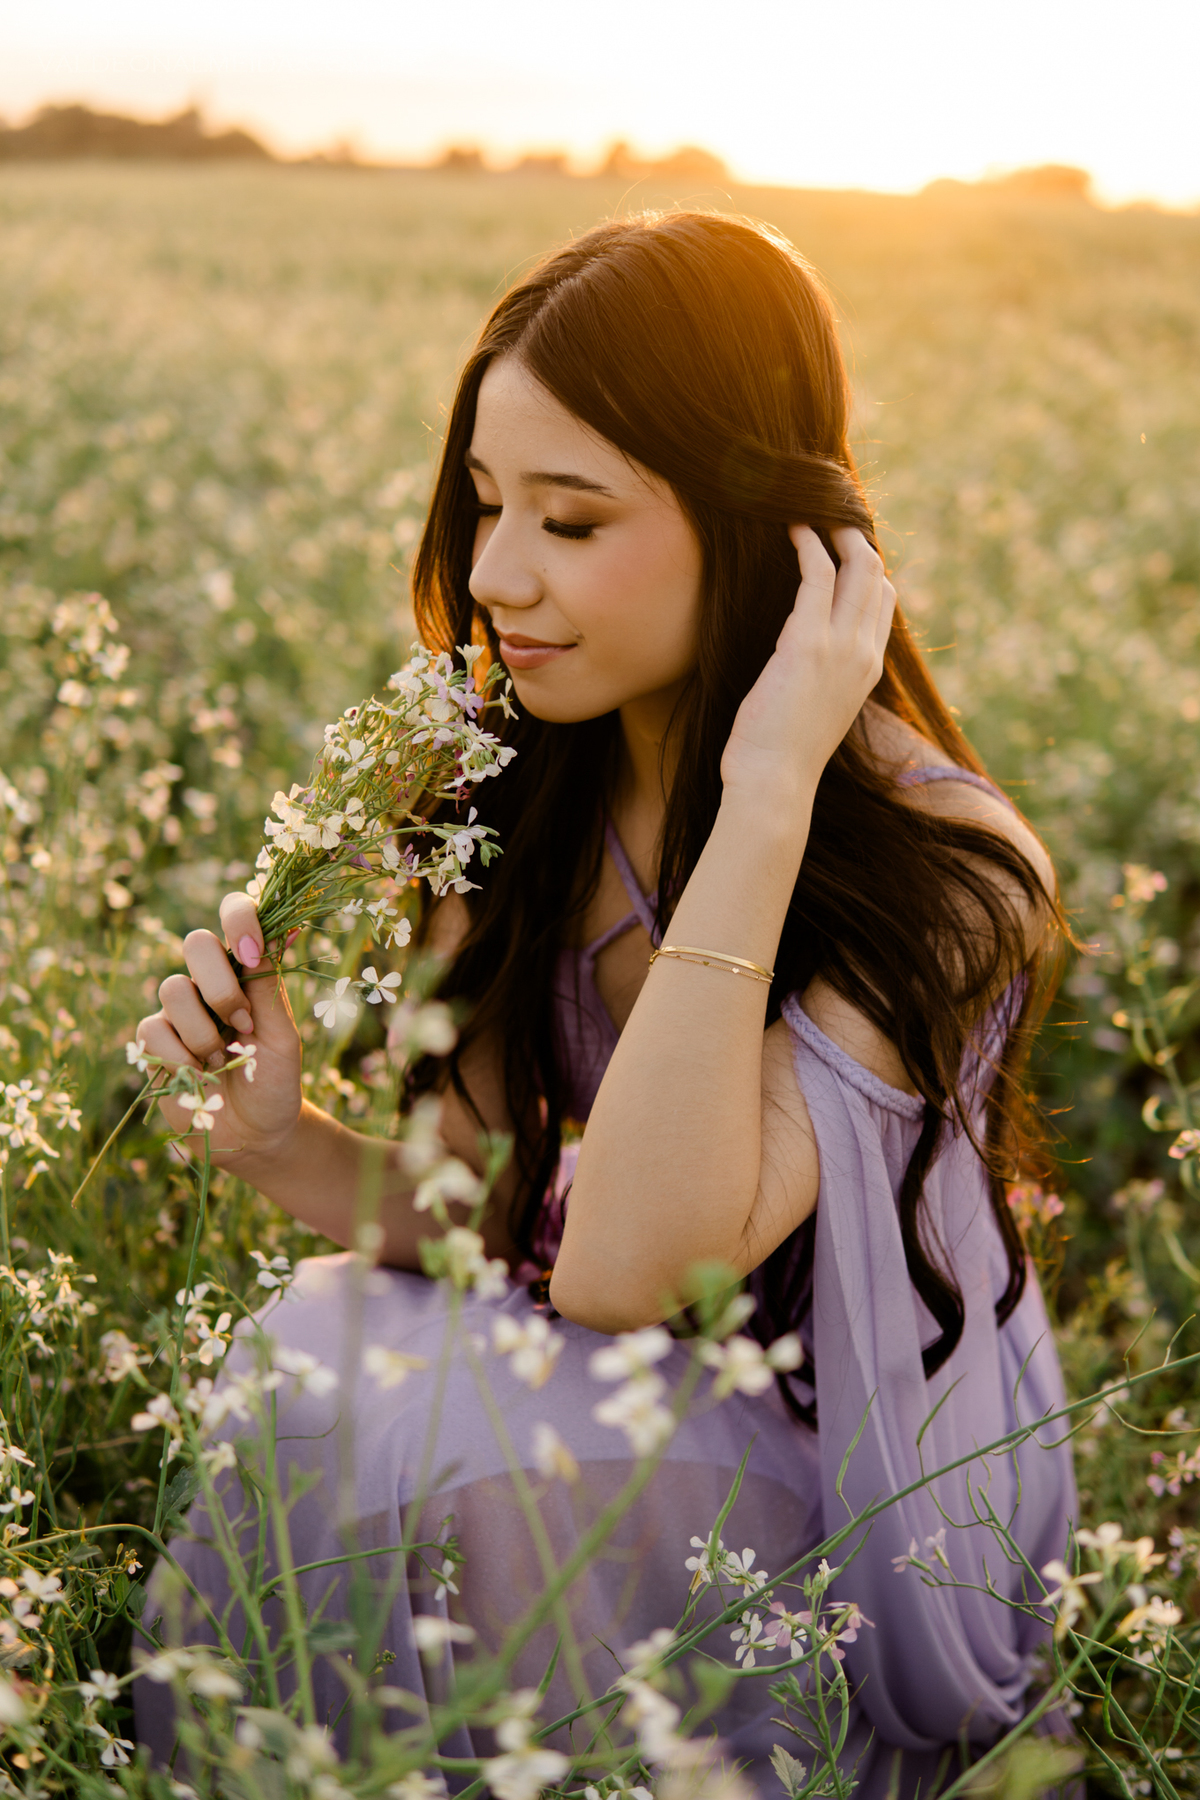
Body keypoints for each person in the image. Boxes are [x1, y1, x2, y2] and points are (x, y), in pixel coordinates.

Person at [134, 211, 1076, 1796]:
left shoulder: (954, 875)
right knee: (338, 1349)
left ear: (758, 526)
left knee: (473, 1441)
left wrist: (768, 786)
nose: (496, 574)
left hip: (864, 1476)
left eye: (572, 521)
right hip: (614, 1379)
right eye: (489, 504)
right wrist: (282, 1140)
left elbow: (635, 1267)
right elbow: (497, 1223)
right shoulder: (520, 788)